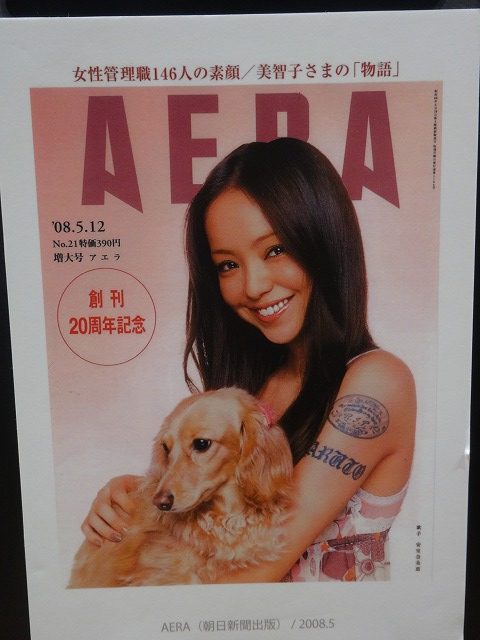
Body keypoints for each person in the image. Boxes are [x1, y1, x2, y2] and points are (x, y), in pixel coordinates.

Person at [82, 138, 415, 582]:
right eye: (227, 265)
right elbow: (207, 538)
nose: (253, 286)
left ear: (323, 240)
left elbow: (253, 568)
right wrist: (134, 498)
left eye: (275, 250)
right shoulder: (248, 393)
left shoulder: (376, 382)